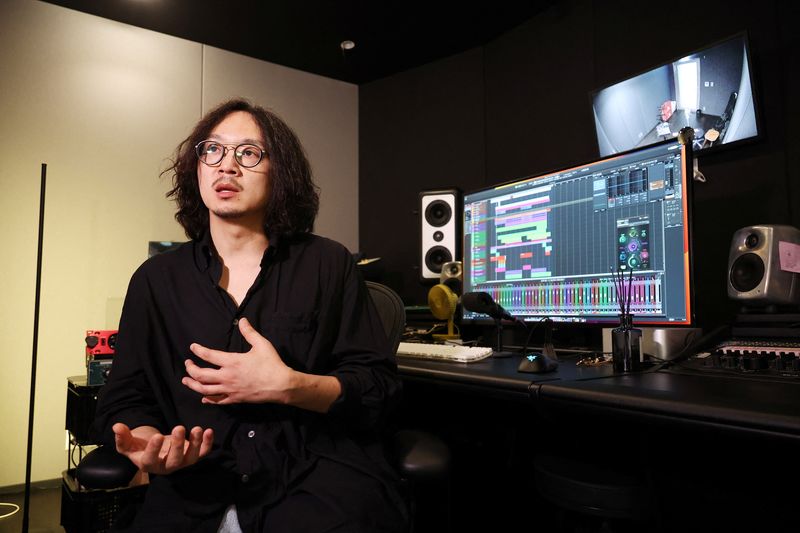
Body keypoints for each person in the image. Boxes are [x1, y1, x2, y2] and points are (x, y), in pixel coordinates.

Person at [93, 98, 409, 533]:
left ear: (281, 172)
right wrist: (149, 442)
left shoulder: (328, 263)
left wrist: (291, 386)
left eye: (249, 153)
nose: (227, 167)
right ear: (197, 168)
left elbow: (378, 387)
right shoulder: (155, 280)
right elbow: (125, 395)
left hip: (313, 481)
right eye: (213, 151)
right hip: (194, 490)